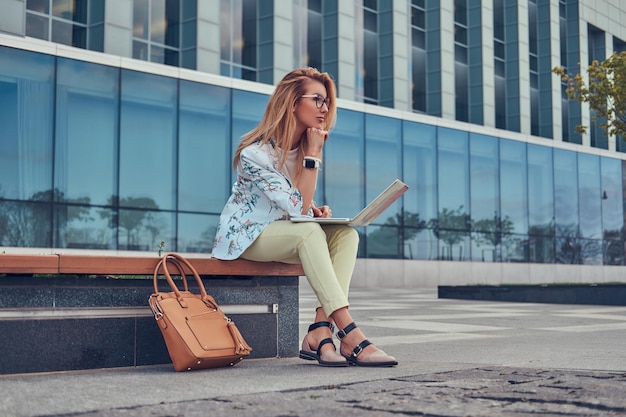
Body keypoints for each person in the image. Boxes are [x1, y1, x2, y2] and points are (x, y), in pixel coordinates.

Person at [212, 67, 397, 367]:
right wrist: (313, 163)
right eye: (317, 100)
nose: (324, 109)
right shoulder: (255, 154)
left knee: (347, 234)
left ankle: (319, 330)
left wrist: (314, 210)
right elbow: (293, 208)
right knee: (309, 232)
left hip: (283, 232)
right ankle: (350, 334)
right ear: (293, 102)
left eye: (327, 102)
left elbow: (295, 204)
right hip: (246, 237)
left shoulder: (303, 149)